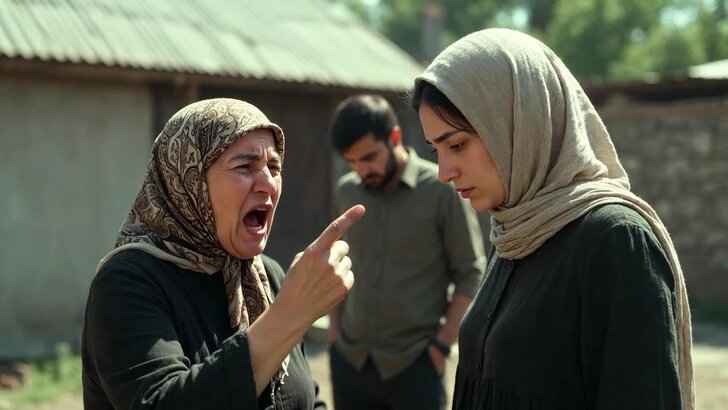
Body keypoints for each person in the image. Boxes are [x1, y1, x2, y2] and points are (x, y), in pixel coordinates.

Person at [411, 28, 694, 409]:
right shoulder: (515, 232)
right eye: (436, 150)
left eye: (458, 145)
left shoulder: (614, 240)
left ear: (519, 124)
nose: (444, 172)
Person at [81, 98, 365, 409]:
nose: (269, 184)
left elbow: (305, 400)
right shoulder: (127, 282)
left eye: (274, 167)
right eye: (245, 166)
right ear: (188, 181)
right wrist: (289, 315)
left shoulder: (265, 275)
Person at [327, 94, 486, 410]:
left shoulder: (442, 191)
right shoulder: (346, 191)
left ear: (395, 137)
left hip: (415, 366)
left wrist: (440, 348)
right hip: (350, 361)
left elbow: (471, 272)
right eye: (352, 161)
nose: (362, 170)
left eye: (369, 157)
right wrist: (334, 337)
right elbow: (335, 264)